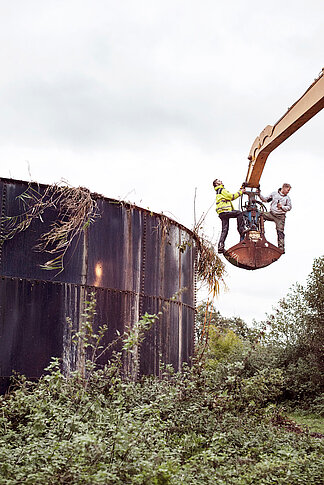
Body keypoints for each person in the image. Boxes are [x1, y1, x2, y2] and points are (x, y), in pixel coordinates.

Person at [213, 179, 246, 253]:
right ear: (216, 184)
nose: (221, 181)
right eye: (219, 181)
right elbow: (231, 196)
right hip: (225, 211)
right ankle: (241, 230)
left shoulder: (218, 191)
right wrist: (241, 192)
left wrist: (240, 190)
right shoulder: (221, 189)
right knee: (239, 213)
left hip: (221, 213)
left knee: (225, 230)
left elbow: (229, 201)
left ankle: (220, 246)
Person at [258, 183, 292, 252]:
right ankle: (257, 234)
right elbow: (265, 199)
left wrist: (282, 207)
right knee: (258, 214)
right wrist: (259, 194)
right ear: (284, 188)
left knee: (280, 231)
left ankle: (281, 248)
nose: (288, 192)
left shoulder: (287, 198)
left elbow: (289, 207)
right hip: (271, 214)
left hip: (280, 217)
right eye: (288, 190)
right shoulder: (274, 194)